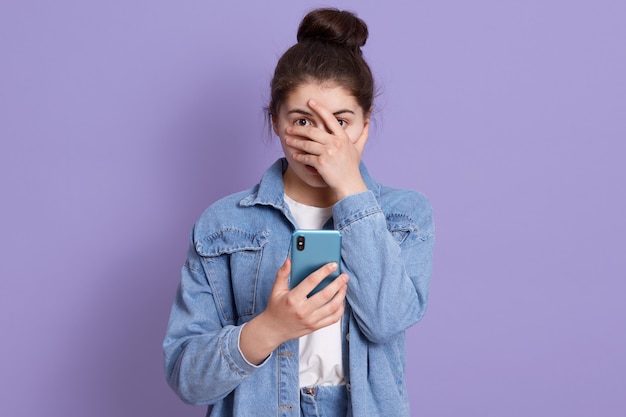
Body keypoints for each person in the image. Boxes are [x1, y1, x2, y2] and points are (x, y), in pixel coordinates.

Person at [163, 7, 434, 417]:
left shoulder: (404, 215)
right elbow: (187, 378)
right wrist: (269, 329)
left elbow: (387, 320)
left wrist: (350, 189)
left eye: (340, 122)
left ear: (365, 124)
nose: (321, 141)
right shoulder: (222, 226)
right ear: (274, 119)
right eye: (303, 121)